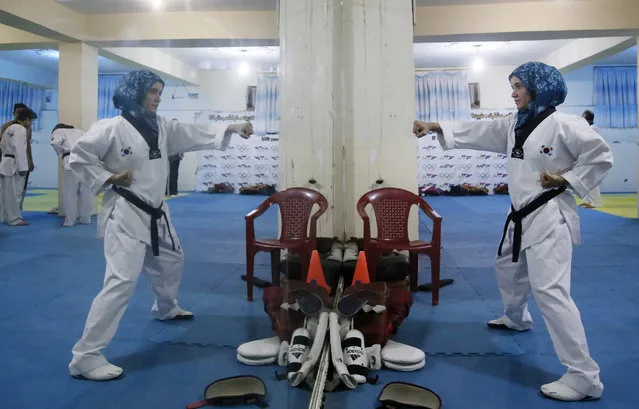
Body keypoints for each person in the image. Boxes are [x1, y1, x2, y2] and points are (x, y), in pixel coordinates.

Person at [412, 62, 612, 402]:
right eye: (513, 86)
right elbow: (475, 132)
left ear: (539, 88)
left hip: (549, 216)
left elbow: (601, 156)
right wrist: (434, 125)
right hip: (519, 214)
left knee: (550, 291)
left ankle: (584, 375)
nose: (513, 92)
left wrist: (566, 179)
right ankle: (516, 317)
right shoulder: (514, 123)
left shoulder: (566, 125)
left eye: (519, 86)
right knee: (508, 267)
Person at [68, 70, 253, 381]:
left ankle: (165, 307)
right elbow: (77, 157)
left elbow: (194, 133)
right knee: (121, 282)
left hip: (156, 211)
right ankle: (85, 356)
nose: (158, 98)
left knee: (170, 261)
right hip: (125, 212)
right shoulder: (110, 128)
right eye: (152, 92)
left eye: (159, 92)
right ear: (134, 92)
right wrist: (109, 178)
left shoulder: (162, 126)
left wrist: (230, 127)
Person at [50, 123, 93, 226]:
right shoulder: (81, 131)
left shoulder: (58, 131)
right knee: (86, 193)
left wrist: (61, 153)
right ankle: (86, 219)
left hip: (71, 162)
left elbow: (54, 143)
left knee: (70, 194)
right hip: (86, 162)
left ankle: (70, 221)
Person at [0, 107, 37, 226]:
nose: (31, 123)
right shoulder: (21, 129)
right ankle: (15, 219)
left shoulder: (9, 128)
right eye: (31, 120)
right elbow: (19, 148)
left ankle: (5, 217)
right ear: (26, 119)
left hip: (6, 161)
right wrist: (23, 167)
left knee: (6, 193)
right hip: (15, 163)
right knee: (16, 193)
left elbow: (2, 145)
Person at [580, 110, 603, 208]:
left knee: (592, 179)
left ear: (585, 118)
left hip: (593, 157)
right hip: (586, 156)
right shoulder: (588, 128)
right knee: (585, 180)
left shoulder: (593, 128)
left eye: (582, 116)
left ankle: (595, 203)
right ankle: (587, 201)